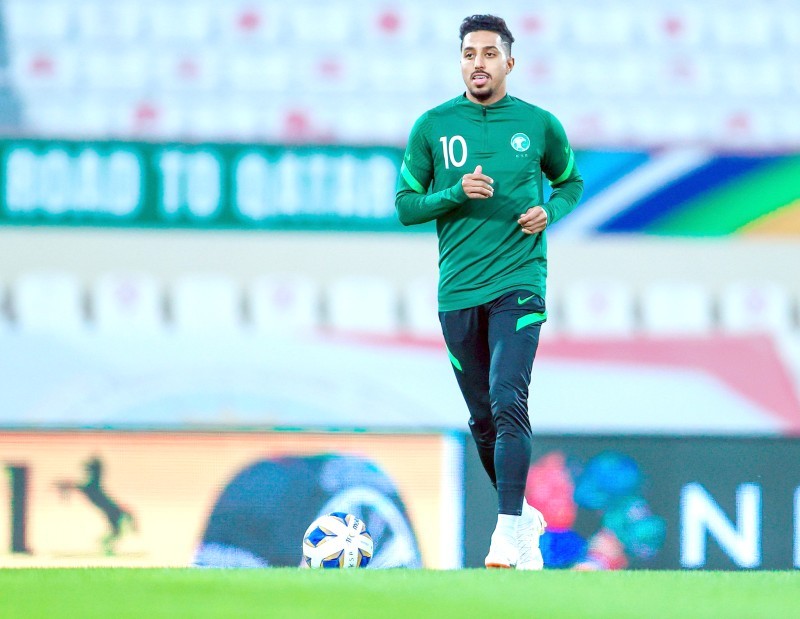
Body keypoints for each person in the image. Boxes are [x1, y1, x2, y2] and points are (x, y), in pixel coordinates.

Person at [395, 14, 583, 569]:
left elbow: (570, 182)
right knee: (482, 419)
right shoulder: (433, 126)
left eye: (489, 53)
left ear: (509, 62)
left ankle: (505, 534)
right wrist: (455, 192)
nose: (478, 62)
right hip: (457, 291)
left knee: (507, 398)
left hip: (519, 283)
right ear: (461, 62)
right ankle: (523, 520)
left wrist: (549, 212)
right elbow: (405, 206)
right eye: (469, 54)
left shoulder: (539, 125)